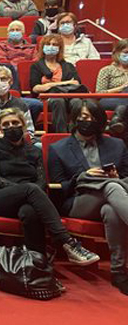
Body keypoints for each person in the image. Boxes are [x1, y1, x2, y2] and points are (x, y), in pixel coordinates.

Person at [0, 108, 99, 266]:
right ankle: (67, 242)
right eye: (6, 124)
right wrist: (24, 191)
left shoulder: (33, 150)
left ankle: (39, 266)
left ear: (23, 125)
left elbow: (41, 181)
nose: (11, 126)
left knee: (29, 212)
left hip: (29, 198)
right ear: (1, 129)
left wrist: (28, 193)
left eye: (15, 123)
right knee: (31, 189)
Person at [47, 100, 128, 295]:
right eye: (83, 118)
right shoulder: (58, 148)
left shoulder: (117, 144)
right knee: (111, 187)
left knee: (111, 208)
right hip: (78, 200)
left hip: (114, 199)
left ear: (100, 120)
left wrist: (117, 178)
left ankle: (119, 272)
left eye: (92, 118)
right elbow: (58, 189)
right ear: (74, 119)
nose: (87, 121)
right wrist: (82, 177)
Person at [30, 34, 82, 133]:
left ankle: (76, 133)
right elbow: (36, 88)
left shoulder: (68, 66)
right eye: (48, 44)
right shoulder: (36, 66)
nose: (51, 47)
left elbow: (76, 83)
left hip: (69, 96)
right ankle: (61, 134)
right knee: (58, 100)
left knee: (77, 102)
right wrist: (66, 82)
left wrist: (48, 85)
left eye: (54, 45)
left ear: (59, 48)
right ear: (43, 47)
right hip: (47, 99)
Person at [96, 39, 128, 111]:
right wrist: (120, 88)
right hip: (111, 100)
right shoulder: (107, 70)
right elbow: (99, 94)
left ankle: (118, 118)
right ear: (117, 53)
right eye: (126, 52)